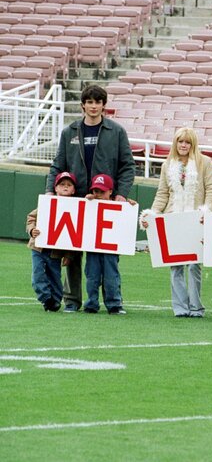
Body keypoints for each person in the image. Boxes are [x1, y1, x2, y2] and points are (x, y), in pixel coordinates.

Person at [46, 84, 136, 313]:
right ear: (83, 105)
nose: (93, 106)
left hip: (105, 202)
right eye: (89, 102)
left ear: (104, 105)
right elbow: (58, 164)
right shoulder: (70, 131)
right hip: (75, 200)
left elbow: (127, 166)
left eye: (98, 102)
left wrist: (121, 195)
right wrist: (50, 190)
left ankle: (113, 302)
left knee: (108, 256)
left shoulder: (116, 131)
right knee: (71, 254)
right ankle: (72, 300)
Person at [139, 128, 212, 318]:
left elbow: (211, 190)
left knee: (194, 265)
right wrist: (152, 214)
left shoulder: (205, 162)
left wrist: (207, 210)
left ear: (193, 144)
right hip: (173, 219)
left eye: (187, 142)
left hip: (195, 219)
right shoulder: (167, 164)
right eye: (180, 141)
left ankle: (196, 307)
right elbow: (162, 193)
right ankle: (180, 308)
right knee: (175, 266)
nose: (183, 145)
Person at [27, 171, 78, 312]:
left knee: (55, 276)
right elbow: (31, 218)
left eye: (69, 185)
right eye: (62, 184)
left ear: (74, 190)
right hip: (38, 247)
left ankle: (55, 301)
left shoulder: (75, 208)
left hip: (56, 251)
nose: (65, 187)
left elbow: (74, 234)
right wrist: (32, 230)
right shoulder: (47, 203)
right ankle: (46, 299)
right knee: (37, 274)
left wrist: (69, 255)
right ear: (55, 188)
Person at [84, 174, 135, 315]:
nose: (98, 194)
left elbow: (128, 214)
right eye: (96, 191)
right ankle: (91, 303)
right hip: (93, 246)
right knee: (92, 276)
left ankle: (114, 304)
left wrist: (129, 205)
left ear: (111, 191)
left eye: (102, 191)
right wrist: (87, 200)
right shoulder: (90, 203)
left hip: (110, 248)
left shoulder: (118, 204)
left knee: (111, 276)